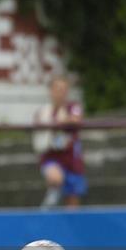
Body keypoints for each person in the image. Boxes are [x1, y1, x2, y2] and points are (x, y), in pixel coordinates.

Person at [32, 76, 86, 208]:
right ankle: (49, 204)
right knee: (55, 178)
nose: (60, 92)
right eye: (57, 89)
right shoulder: (43, 111)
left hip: (72, 161)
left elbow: (76, 119)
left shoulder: (73, 107)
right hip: (51, 157)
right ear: (50, 91)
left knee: (72, 203)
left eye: (64, 89)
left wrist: (60, 121)